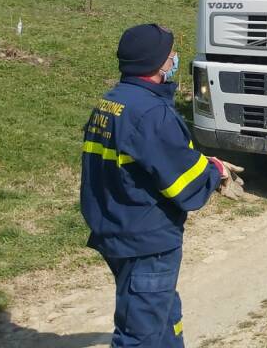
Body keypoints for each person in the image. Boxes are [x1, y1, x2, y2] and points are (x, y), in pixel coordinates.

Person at [80, 24, 236, 347]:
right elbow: (187, 187)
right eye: (170, 55)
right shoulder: (151, 114)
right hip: (148, 244)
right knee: (140, 336)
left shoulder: (110, 104)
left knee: (165, 316)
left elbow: (149, 162)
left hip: (117, 233)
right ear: (157, 65)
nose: (174, 60)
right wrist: (215, 170)